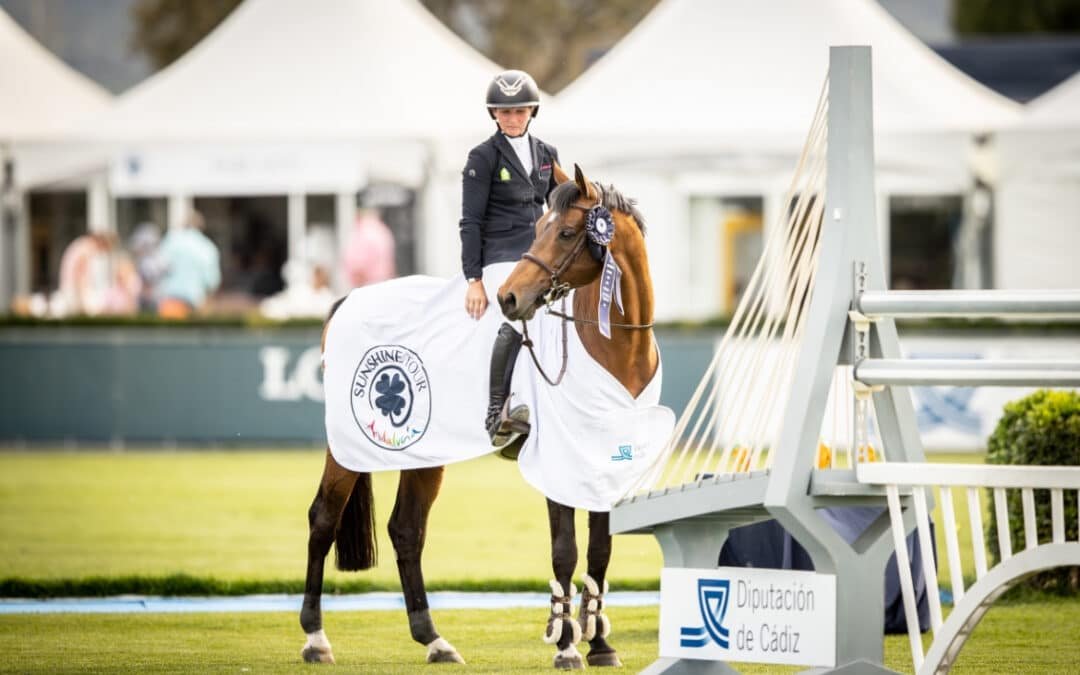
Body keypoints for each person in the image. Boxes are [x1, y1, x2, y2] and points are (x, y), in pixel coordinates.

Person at [459, 69, 560, 450]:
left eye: (519, 111)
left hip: (539, 254)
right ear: (494, 115)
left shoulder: (547, 153)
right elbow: (470, 220)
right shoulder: (482, 157)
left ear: (532, 110)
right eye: (504, 112)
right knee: (518, 313)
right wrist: (473, 278)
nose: (513, 119)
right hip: (501, 253)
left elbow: (560, 208)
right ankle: (496, 410)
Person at [156, 210, 221, 319]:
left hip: (170, 301)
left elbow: (158, 267)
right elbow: (212, 281)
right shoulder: (207, 247)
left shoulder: (172, 240)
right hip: (196, 303)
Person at [343, 208, 396, 287]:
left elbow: (358, 263)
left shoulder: (364, 231)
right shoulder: (383, 230)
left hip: (368, 283)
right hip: (383, 281)